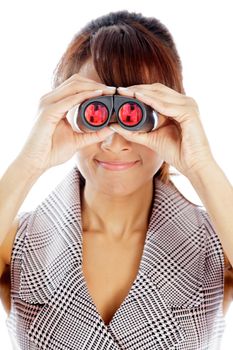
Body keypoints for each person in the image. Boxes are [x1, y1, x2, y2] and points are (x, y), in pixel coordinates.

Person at [0, 9, 232, 350]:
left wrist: (200, 164)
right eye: (94, 112)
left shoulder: (217, 245)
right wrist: (29, 162)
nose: (115, 141)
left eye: (133, 114)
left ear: (169, 114)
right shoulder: (16, 243)